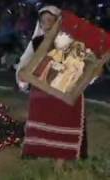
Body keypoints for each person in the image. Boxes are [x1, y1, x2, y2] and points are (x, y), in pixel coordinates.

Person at [16, 6, 89, 168]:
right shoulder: (36, 42)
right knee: (44, 124)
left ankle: (59, 163)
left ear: (58, 22)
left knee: (63, 122)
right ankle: (44, 156)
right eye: (43, 21)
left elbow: (79, 62)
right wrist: (23, 75)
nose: (46, 24)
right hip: (42, 91)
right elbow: (27, 62)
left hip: (63, 88)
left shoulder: (69, 42)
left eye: (50, 20)